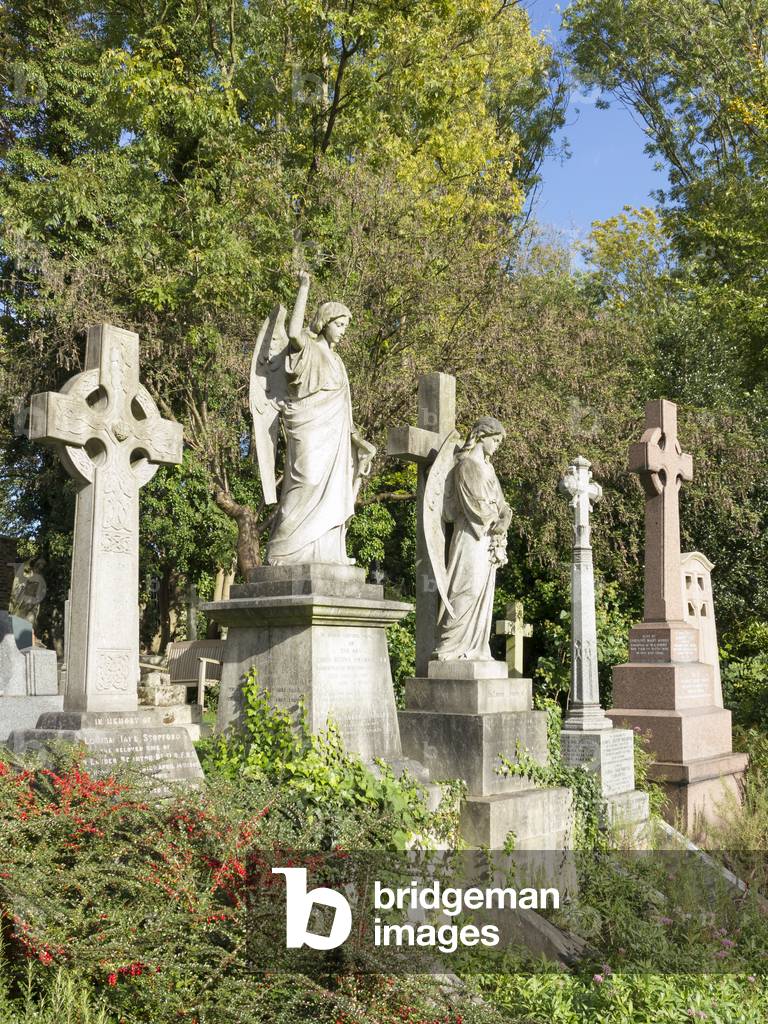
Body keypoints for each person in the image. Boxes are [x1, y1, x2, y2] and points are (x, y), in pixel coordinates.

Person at [266, 271, 375, 564]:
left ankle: (327, 553)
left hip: (335, 436)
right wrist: (304, 287)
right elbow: (291, 333)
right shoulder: (308, 348)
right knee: (307, 479)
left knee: (332, 489)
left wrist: (359, 442)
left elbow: (345, 409)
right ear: (325, 323)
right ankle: (284, 550)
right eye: (339, 324)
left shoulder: (339, 363)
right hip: (309, 427)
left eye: (345, 326)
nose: (343, 330)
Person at [433, 417, 511, 661]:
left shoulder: (489, 468)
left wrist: (505, 517)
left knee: (483, 594)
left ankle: (476, 648)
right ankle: (450, 646)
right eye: (495, 440)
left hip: (488, 540)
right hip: (471, 536)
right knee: (467, 588)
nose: (497, 446)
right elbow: (473, 505)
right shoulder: (466, 465)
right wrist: (495, 519)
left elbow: (502, 504)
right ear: (481, 436)